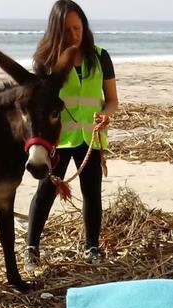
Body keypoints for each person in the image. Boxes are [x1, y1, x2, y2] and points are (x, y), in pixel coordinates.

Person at [25, 0, 117, 269]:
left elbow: (111, 100)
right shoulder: (46, 62)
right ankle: (31, 248)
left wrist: (106, 115)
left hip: (91, 138)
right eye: (67, 30)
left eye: (78, 28)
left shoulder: (100, 56)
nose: (74, 35)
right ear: (56, 30)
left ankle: (92, 247)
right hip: (58, 139)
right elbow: (39, 105)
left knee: (92, 192)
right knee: (46, 192)